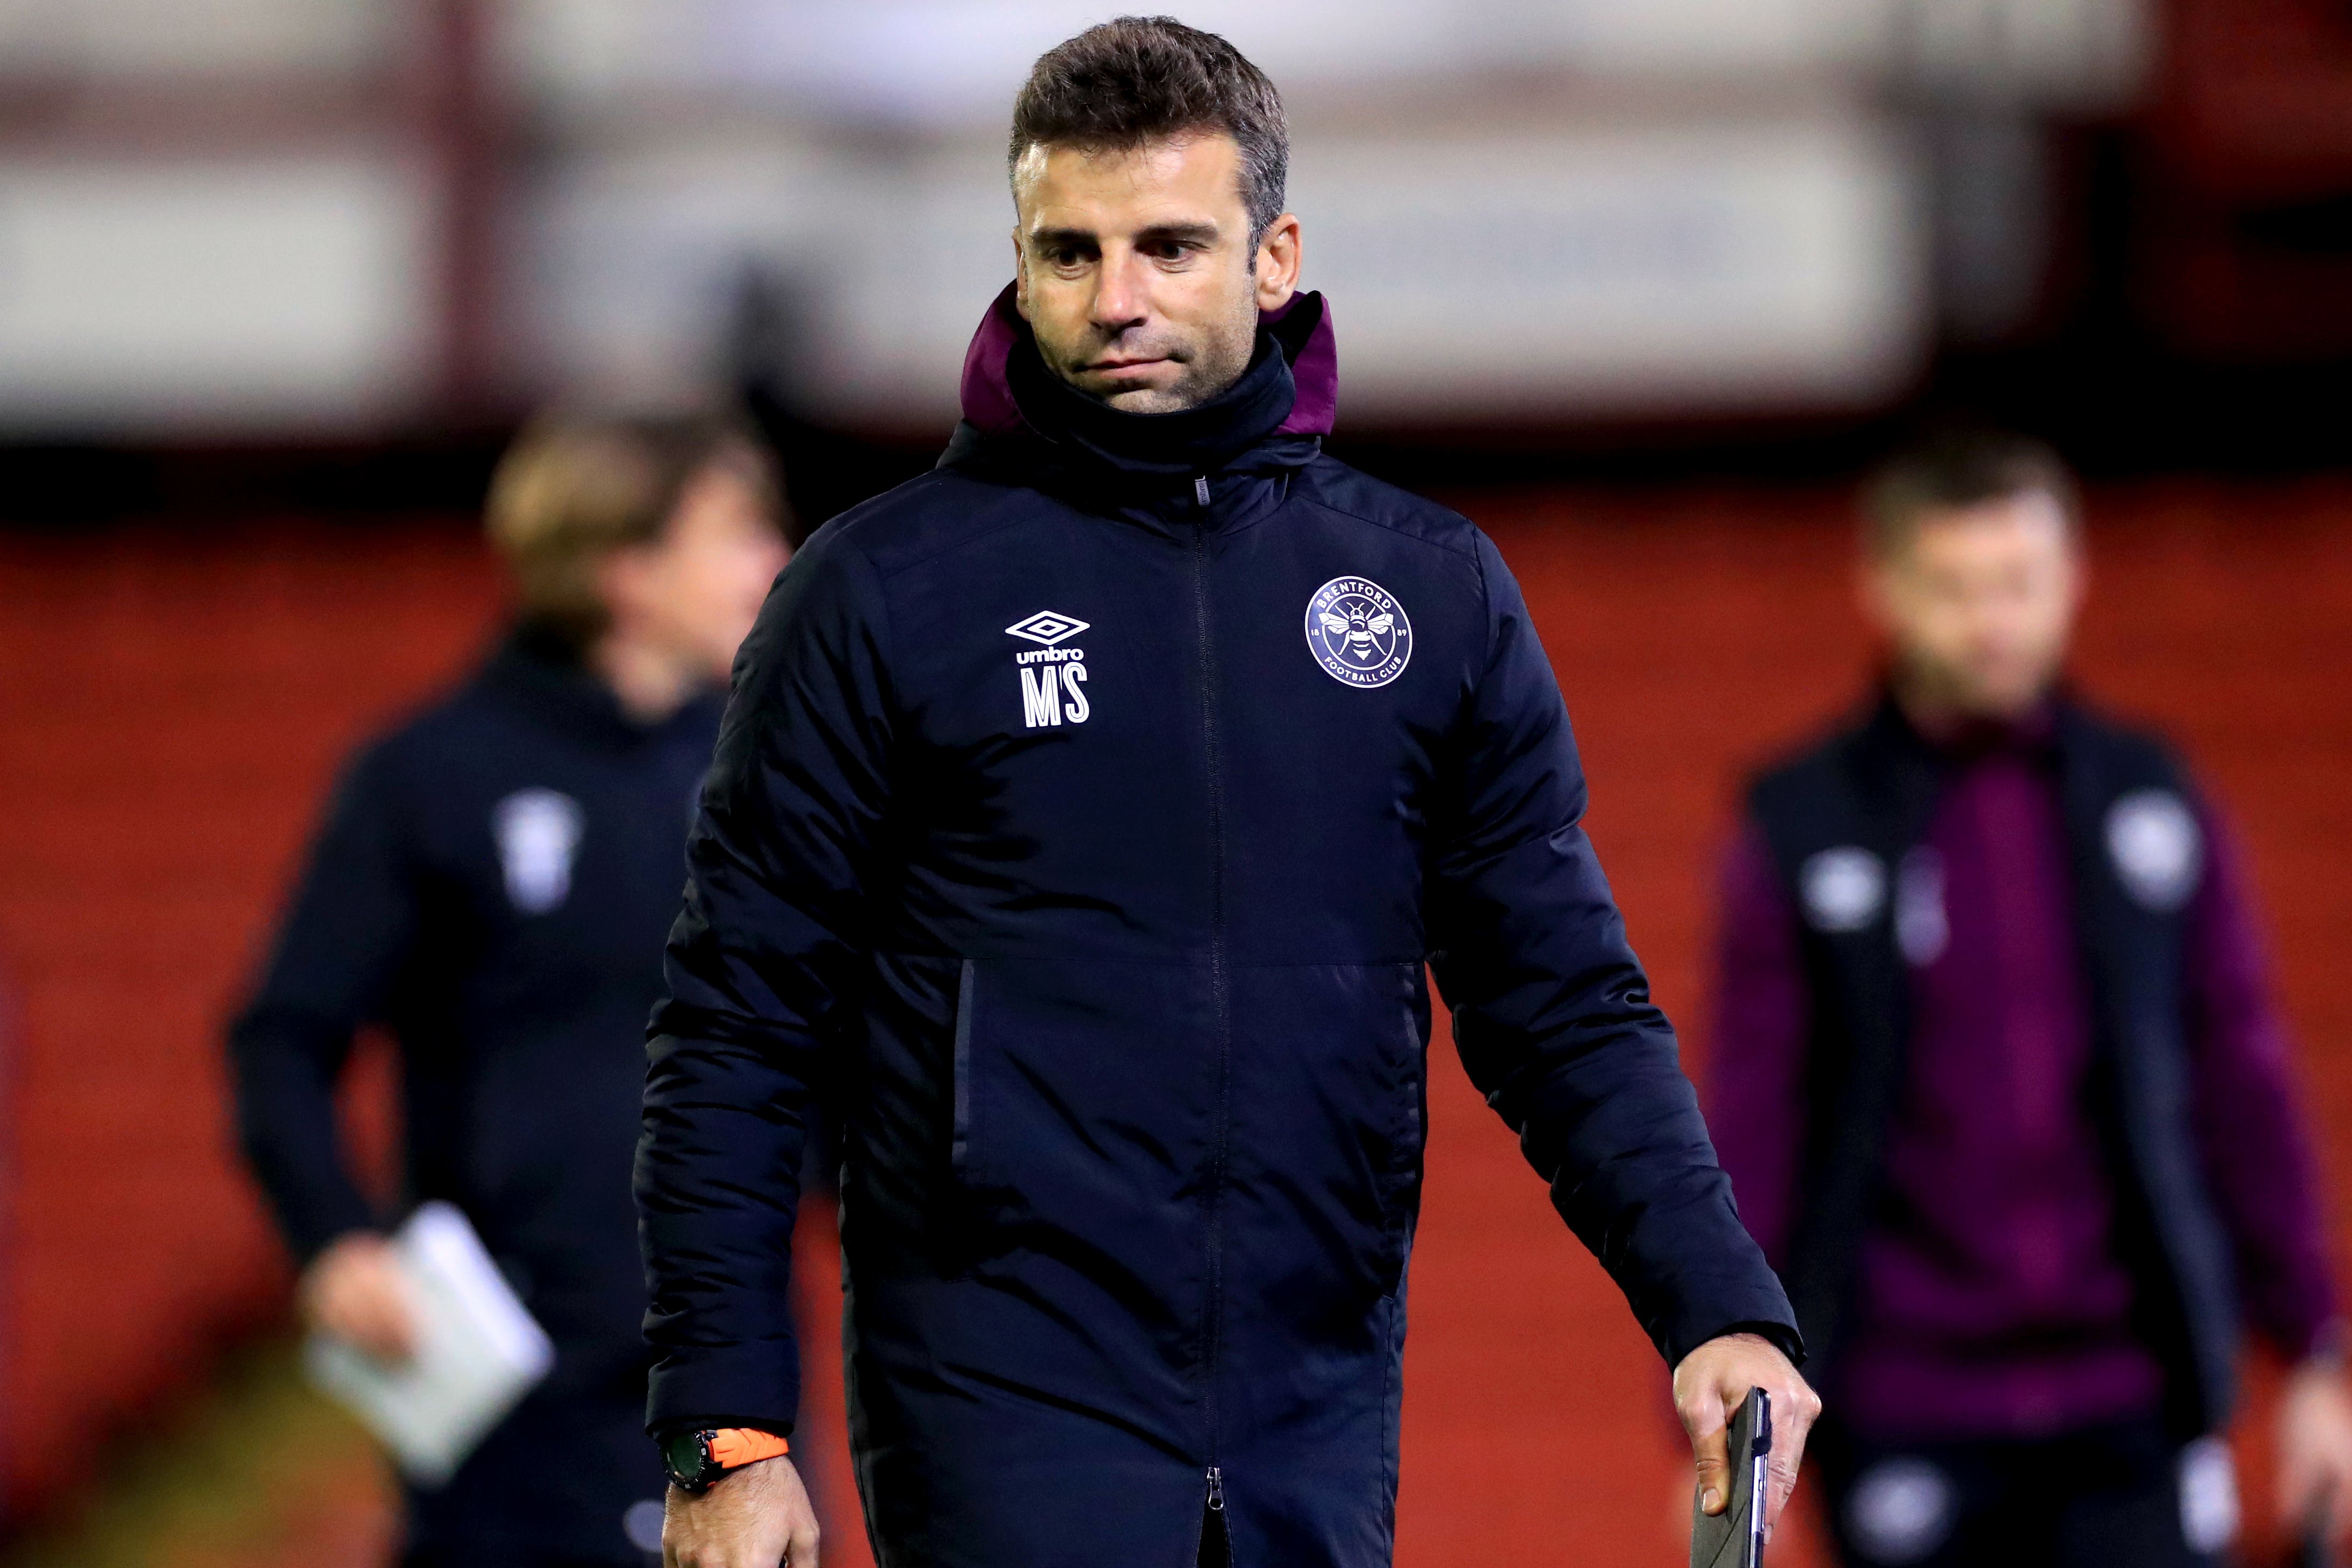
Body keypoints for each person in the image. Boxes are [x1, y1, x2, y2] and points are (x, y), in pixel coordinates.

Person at [637, 19, 1818, 1568]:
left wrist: (1714, 1302)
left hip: (1312, 1402)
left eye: (1167, 246)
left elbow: (1562, 1002)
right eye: (1066, 252)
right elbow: (736, 1021)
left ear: (1273, 259)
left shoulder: (1424, 593)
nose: (1111, 298)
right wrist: (728, 1428)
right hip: (998, 1396)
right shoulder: (878, 595)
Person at [1706, 429, 2352, 1566]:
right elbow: (1755, 1128)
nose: (1989, 620)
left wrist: (2313, 1349)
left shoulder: (2149, 799)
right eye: (1953, 587)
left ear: (2071, 582)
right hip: (1901, 1397)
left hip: (2131, 1398)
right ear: (1884, 588)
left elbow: (2237, 1078)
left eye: (2017, 581)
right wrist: (1713, 1430)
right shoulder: (1802, 822)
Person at [229, 409, 792, 1567]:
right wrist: (335, 1238)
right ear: (623, 570)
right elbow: (282, 1035)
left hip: (726, 1367)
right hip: (516, 1378)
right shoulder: (431, 775)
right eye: (735, 530)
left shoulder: (765, 767)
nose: (771, 562)